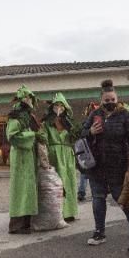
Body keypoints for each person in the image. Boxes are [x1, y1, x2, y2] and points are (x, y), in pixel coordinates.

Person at [80, 80, 129, 246]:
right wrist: (90, 132)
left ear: (117, 99)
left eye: (113, 99)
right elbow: (81, 133)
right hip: (96, 166)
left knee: (121, 198)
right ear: (101, 100)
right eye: (107, 100)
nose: (110, 103)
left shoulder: (125, 114)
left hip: (118, 165)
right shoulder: (94, 114)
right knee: (98, 198)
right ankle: (99, 232)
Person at [6, 85, 40, 234]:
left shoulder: (29, 116)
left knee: (28, 189)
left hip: (29, 156)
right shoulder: (15, 116)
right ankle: (16, 225)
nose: (29, 101)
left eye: (31, 98)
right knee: (20, 189)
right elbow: (12, 136)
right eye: (27, 98)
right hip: (20, 156)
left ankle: (26, 222)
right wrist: (32, 136)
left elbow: (37, 131)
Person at [42, 93, 80, 222]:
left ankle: (69, 212)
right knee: (56, 184)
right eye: (57, 105)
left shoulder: (68, 123)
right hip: (54, 154)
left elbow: (75, 137)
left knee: (69, 182)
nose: (59, 107)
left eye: (61, 105)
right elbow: (43, 138)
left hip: (68, 154)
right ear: (52, 106)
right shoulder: (47, 122)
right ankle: (58, 212)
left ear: (65, 108)